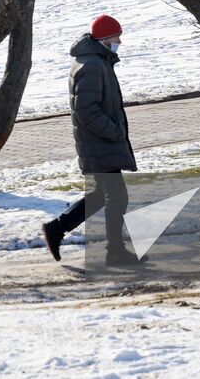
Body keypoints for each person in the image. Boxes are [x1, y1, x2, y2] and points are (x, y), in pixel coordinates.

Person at [41, 14, 141, 266]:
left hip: (99, 144)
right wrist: (114, 132)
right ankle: (115, 252)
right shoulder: (93, 66)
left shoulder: (96, 62)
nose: (120, 41)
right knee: (117, 197)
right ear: (105, 39)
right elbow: (86, 111)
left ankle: (57, 228)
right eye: (116, 36)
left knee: (101, 195)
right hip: (100, 144)